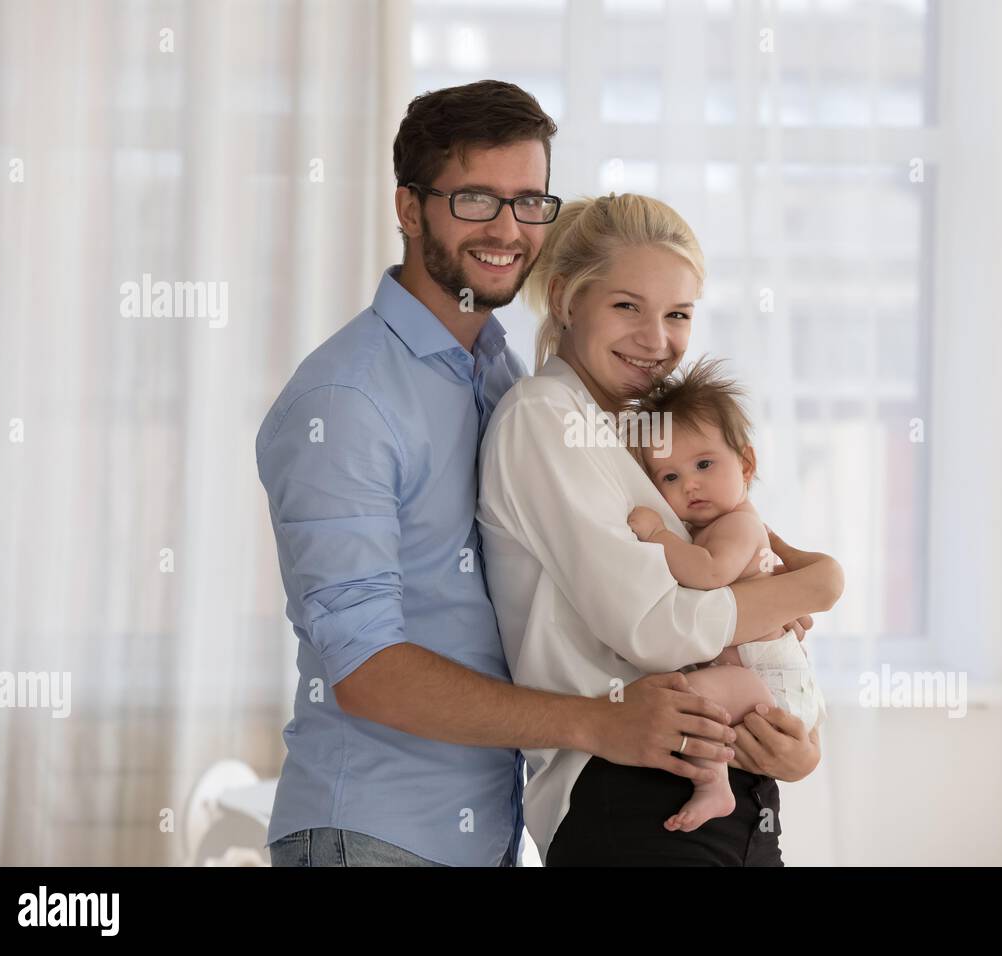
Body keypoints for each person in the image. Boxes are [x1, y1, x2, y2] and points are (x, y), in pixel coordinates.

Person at [257, 81, 739, 868]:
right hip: (372, 836)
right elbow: (365, 670)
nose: (509, 230)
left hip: (487, 831)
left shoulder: (502, 373)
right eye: (476, 199)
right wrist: (597, 720)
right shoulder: (347, 401)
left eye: (529, 202)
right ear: (409, 209)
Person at [477, 193, 844, 866]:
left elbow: (725, 609)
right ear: (563, 298)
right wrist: (813, 588)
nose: (657, 340)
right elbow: (655, 626)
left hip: (722, 786)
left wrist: (796, 742)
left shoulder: (641, 440)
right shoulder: (544, 418)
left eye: (677, 315)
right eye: (627, 306)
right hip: (634, 798)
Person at [626, 357, 830, 833]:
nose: (689, 484)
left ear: (746, 463)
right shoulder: (713, 523)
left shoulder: (738, 523)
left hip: (771, 685)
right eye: (669, 478)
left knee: (688, 698)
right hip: (761, 676)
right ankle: (715, 783)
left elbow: (710, 573)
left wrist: (658, 534)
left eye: (703, 464)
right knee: (694, 700)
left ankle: (714, 787)